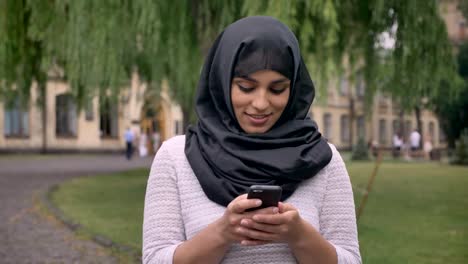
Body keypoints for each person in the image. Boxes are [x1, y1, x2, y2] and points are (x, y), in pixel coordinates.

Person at [143, 16, 361, 264]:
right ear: (222, 82)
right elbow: (154, 259)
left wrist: (299, 235)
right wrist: (223, 232)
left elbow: (350, 260)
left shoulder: (323, 161)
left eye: (277, 89)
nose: (260, 104)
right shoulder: (175, 157)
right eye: (246, 87)